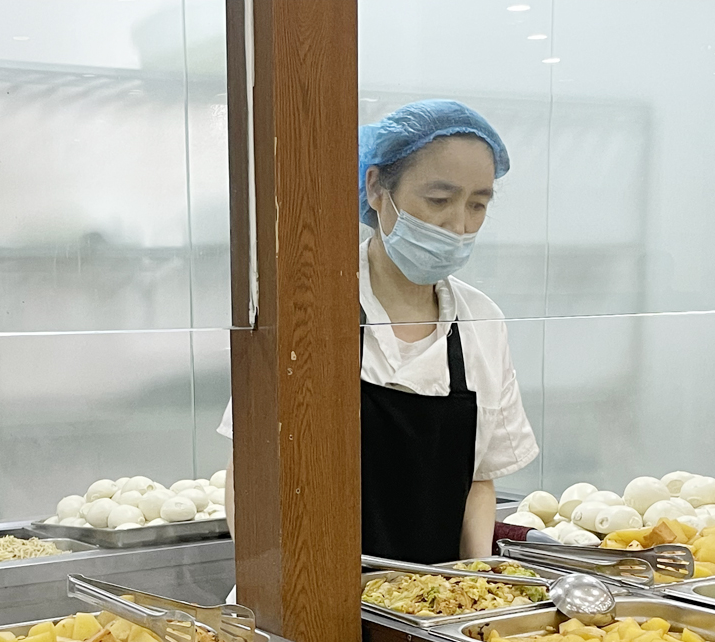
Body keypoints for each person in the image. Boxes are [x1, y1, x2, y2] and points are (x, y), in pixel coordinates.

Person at [221, 99, 539, 563]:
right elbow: (250, 473)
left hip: (430, 596)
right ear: (375, 187)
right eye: (439, 200)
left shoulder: (481, 321)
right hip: (312, 590)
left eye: (477, 204)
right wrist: (275, 588)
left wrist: (475, 584)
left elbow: (477, 481)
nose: (458, 225)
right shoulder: (309, 309)